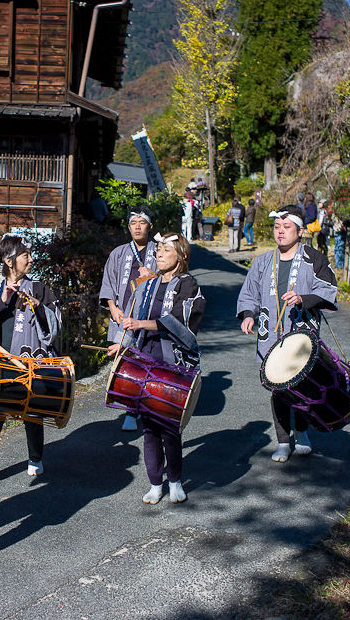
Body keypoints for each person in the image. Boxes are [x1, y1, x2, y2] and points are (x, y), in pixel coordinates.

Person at [107, 232, 205, 504]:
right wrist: (121, 344)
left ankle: (174, 480)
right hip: (143, 358)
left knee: (169, 425)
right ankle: (154, 483)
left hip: (170, 362)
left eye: (166, 250)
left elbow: (182, 322)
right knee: (149, 427)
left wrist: (142, 325)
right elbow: (131, 318)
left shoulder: (188, 285)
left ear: (181, 256)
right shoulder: (145, 286)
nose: (159, 254)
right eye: (158, 249)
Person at [235, 204, 338, 463]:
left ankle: (302, 433)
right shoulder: (262, 262)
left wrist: (303, 298)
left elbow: (328, 290)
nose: (280, 232)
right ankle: (282, 441)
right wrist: (248, 315)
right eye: (277, 227)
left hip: (301, 335)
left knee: (302, 385)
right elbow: (249, 294)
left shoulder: (314, 258)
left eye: (286, 227)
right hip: (270, 334)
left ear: (300, 231)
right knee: (278, 389)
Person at [0, 233, 61, 491]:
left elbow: (55, 325)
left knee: (32, 411)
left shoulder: (40, 289)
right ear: (9, 261)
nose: (30, 259)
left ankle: (35, 457)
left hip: (27, 360)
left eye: (29, 255)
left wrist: (38, 306)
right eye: (25, 255)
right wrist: (3, 301)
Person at [99, 207, 158, 431]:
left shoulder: (159, 251)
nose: (137, 226)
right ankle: (130, 412)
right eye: (133, 222)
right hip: (123, 316)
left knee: (148, 362)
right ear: (128, 226)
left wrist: (152, 276)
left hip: (149, 318)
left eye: (142, 222)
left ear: (150, 227)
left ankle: (148, 407)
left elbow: (171, 279)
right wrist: (113, 308)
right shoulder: (118, 253)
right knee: (126, 364)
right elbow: (108, 284)